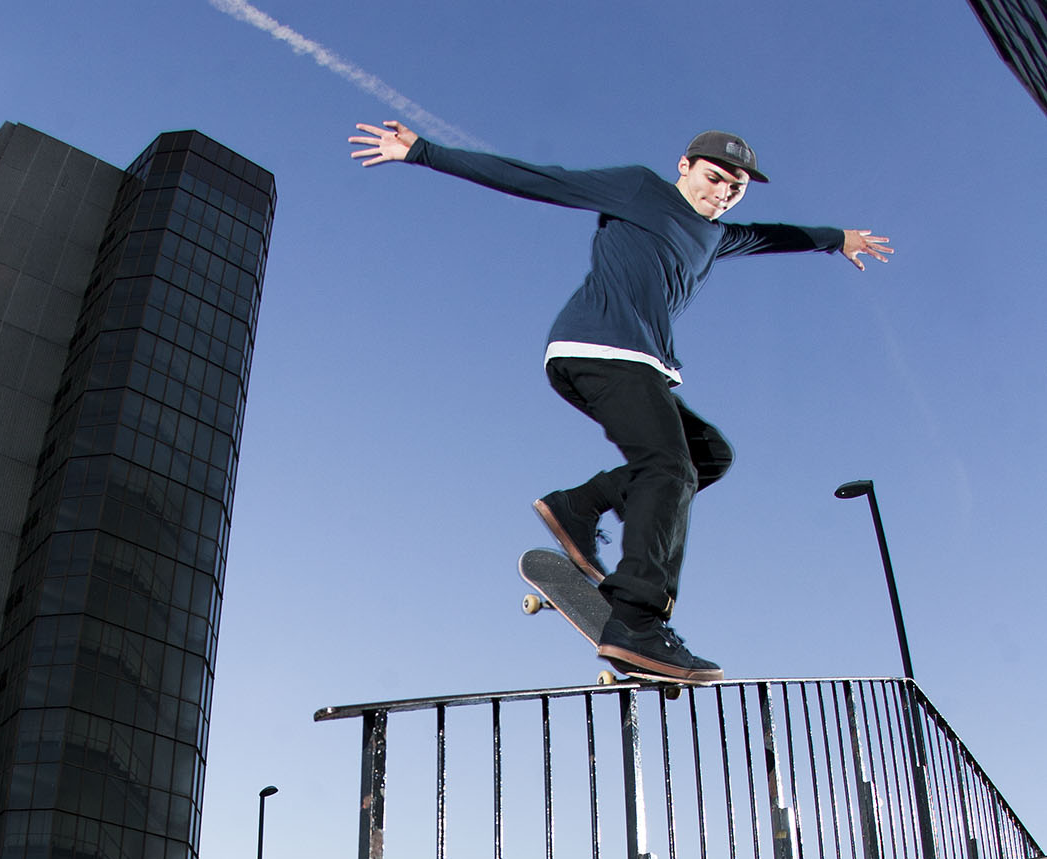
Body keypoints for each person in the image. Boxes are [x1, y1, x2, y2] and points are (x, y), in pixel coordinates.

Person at [349, 122, 892, 685]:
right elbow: (538, 180)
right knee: (670, 467)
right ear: (684, 167)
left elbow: (775, 236)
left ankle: (580, 506)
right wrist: (423, 152)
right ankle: (636, 619)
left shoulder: (717, 237)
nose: (722, 193)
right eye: (714, 179)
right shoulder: (639, 190)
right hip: (599, 346)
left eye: (736, 188)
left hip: (636, 364)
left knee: (709, 456)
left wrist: (837, 237)